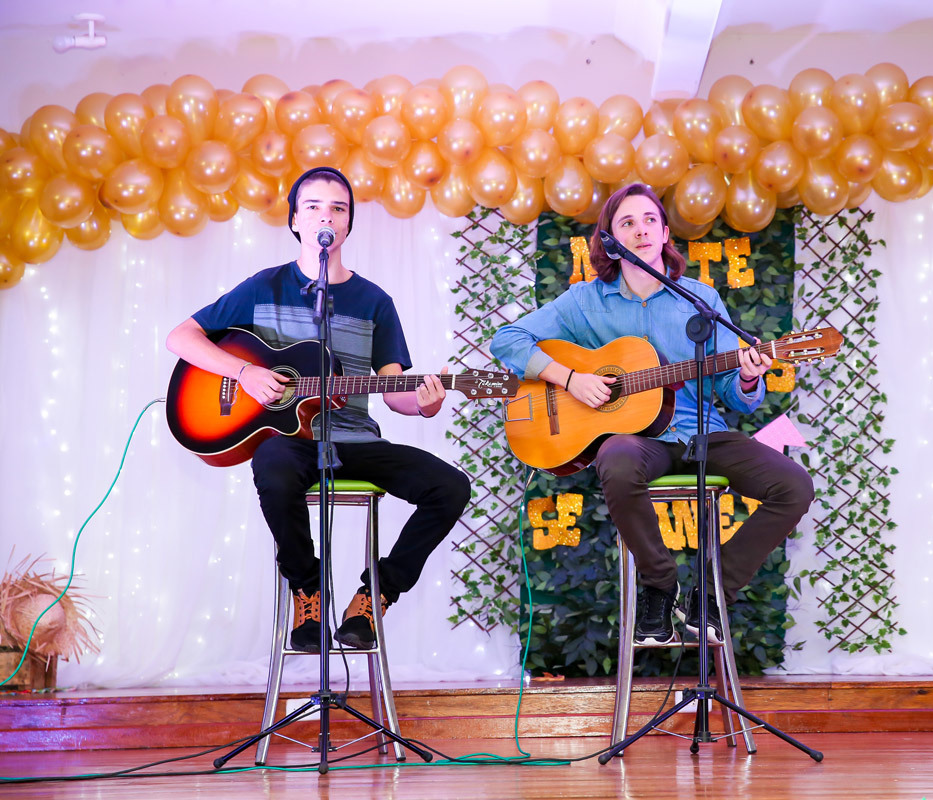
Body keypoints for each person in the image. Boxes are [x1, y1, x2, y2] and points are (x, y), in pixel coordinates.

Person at [490, 183, 814, 645]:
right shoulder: (585, 301)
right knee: (616, 457)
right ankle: (660, 585)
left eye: (649, 221)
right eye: (627, 223)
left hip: (703, 433)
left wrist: (746, 376)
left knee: (795, 486)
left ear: (664, 233)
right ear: (611, 240)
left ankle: (711, 592)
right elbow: (506, 339)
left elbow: (737, 396)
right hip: (639, 443)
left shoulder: (700, 299)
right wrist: (570, 378)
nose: (640, 230)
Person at [166, 166, 470, 653]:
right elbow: (181, 338)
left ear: (347, 224)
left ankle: (374, 597)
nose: (326, 215)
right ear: (295, 220)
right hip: (292, 444)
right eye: (313, 206)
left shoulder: (375, 301)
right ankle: (307, 590)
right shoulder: (262, 287)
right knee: (272, 464)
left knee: (450, 486)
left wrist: (425, 404)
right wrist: (244, 373)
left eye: (338, 208)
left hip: (357, 441)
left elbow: (394, 389)